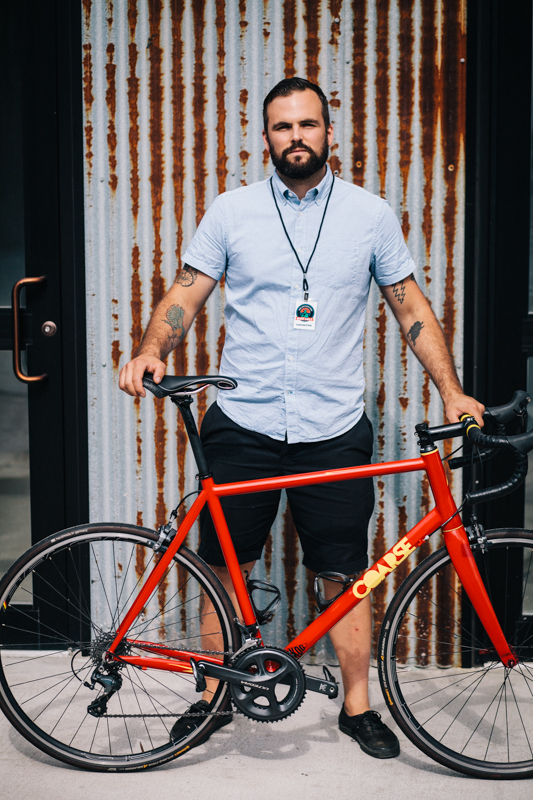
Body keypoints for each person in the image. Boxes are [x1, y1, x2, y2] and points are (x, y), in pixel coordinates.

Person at [119, 77, 485, 759]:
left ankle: (356, 708)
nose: (295, 137)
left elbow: (409, 307)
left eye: (307, 125)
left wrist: (451, 393)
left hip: (334, 426)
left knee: (341, 573)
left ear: (327, 132)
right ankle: (211, 697)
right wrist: (148, 349)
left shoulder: (369, 215)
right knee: (223, 570)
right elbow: (186, 293)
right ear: (266, 138)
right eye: (282, 127)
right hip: (243, 419)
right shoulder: (231, 211)